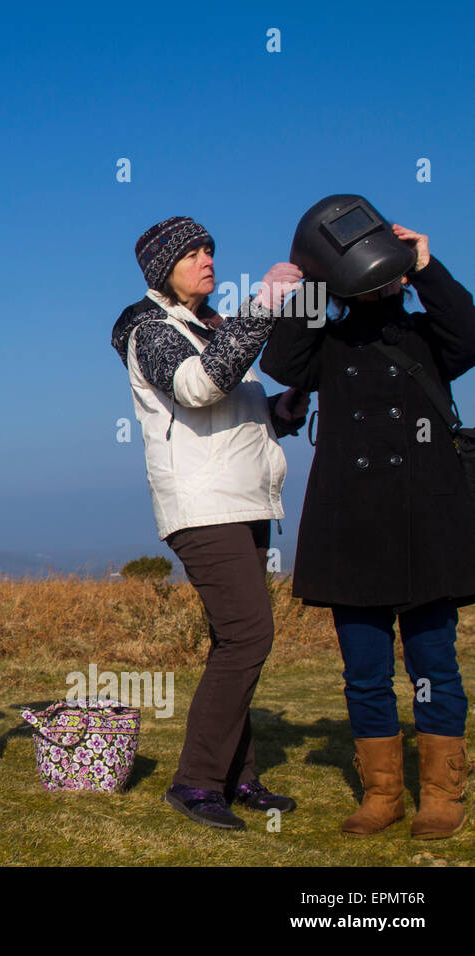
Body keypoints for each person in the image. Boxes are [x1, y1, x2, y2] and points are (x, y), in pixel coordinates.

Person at [261, 224, 474, 840]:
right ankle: (382, 794)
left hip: (426, 520)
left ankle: (440, 792)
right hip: (351, 519)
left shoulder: (425, 335)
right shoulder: (327, 339)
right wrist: (312, 277)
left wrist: (428, 266)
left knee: (434, 662)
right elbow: (281, 360)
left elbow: (470, 333)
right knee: (364, 669)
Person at [110, 216, 306, 828]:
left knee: (233, 641)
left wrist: (281, 408)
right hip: (202, 505)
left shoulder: (213, 327)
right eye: (191, 252)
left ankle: (237, 777)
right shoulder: (151, 329)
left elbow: (232, 409)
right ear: (161, 269)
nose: (207, 259)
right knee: (250, 635)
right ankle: (195, 783)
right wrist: (265, 304)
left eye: (210, 249)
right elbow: (196, 387)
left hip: (246, 498)